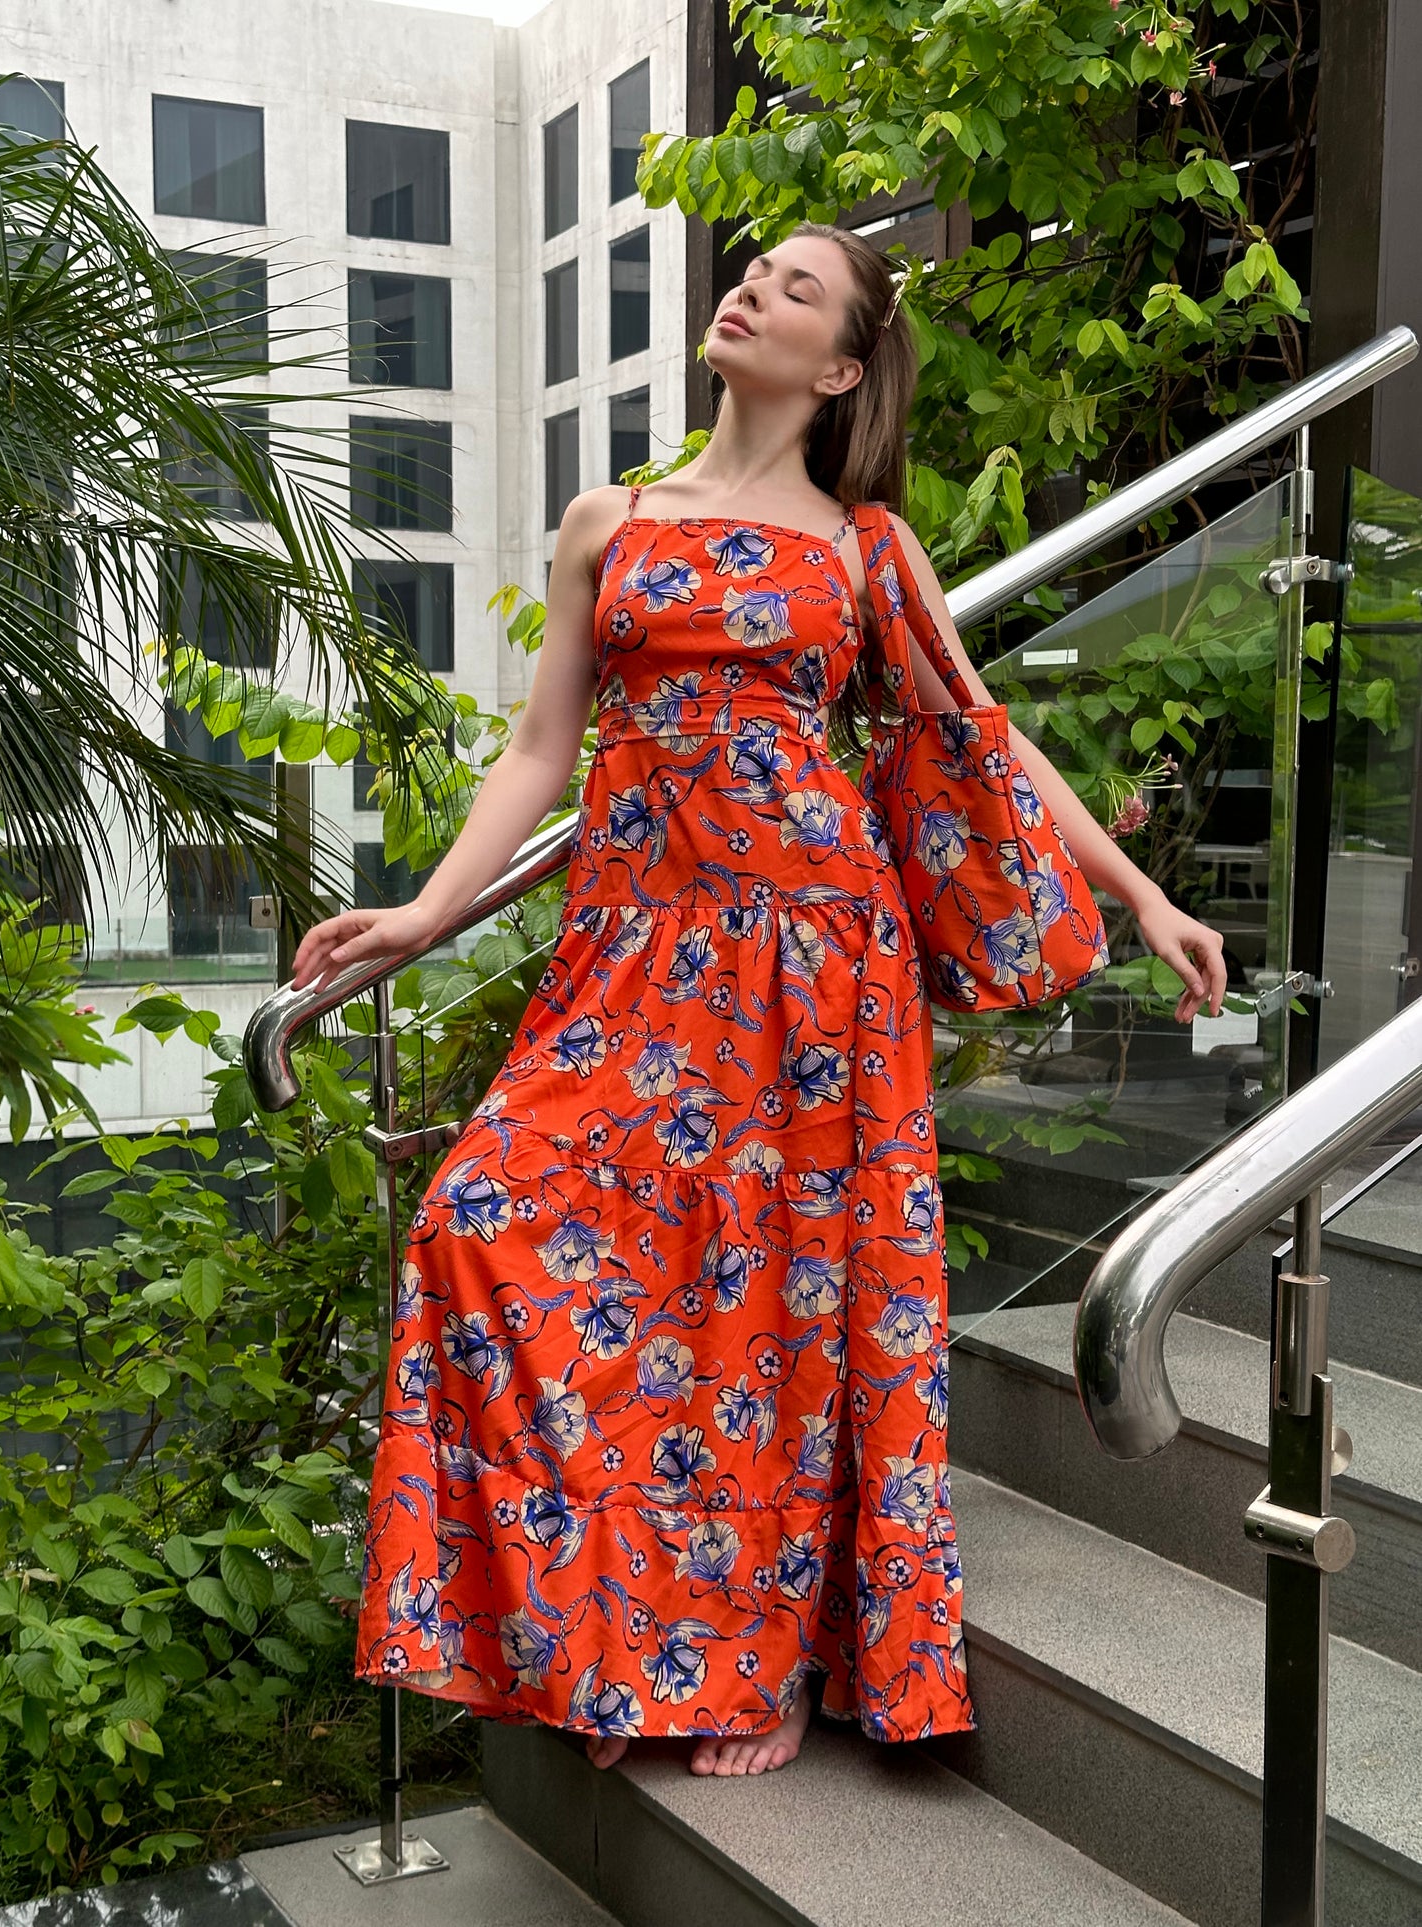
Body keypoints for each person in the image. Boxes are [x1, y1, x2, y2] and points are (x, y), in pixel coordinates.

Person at [292, 224, 1227, 1779]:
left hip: (816, 972)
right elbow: (542, 757)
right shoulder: (613, 519)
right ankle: (612, 1644)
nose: (752, 292)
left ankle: (761, 1668)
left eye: (796, 290)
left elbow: (979, 746)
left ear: (841, 363)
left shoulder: (865, 546)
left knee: (778, 1317)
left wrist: (1135, 892)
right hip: (631, 953)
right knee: (483, 1223)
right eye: (752, 273)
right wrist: (425, 916)